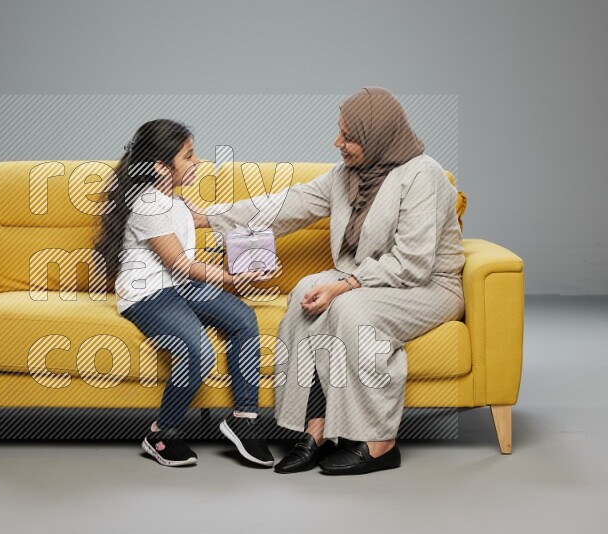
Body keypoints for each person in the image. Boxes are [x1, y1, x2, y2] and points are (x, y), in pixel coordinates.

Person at [195, 88, 466, 475]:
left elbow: (412, 263)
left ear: (377, 137)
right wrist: (209, 217)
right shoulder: (346, 176)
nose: (337, 143)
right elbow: (285, 205)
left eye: (348, 136)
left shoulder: (425, 176)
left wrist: (343, 286)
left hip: (426, 285)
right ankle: (316, 428)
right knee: (306, 292)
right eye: (339, 132)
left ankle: (379, 442)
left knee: (349, 309)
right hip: (368, 278)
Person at [94, 119, 275, 468]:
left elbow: (198, 241)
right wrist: (231, 279)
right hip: (148, 295)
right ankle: (161, 433)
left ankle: (244, 419)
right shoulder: (148, 204)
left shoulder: (174, 200)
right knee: (197, 351)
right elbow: (179, 263)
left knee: (243, 318)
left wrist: (249, 259)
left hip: (178, 287)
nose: (197, 162)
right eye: (189, 156)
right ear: (162, 166)